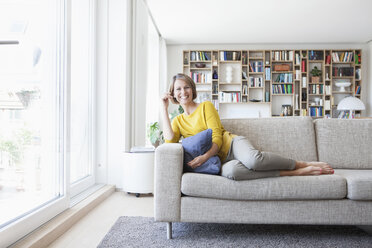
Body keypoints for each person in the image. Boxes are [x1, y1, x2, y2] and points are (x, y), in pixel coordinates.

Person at [160, 73, 334, 180]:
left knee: (253, 160)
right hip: (221, 161)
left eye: (186, 87)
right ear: (173, 94)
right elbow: (170, 142)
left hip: (232, 145)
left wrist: (204, 157)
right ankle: (295, 174)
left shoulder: (206, 106)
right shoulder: (178, 121)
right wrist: (164, 108)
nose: (183, 92)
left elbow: (217, 138)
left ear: (192, 89)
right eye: (178, 89)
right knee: (233, 173)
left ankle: (300, 165)